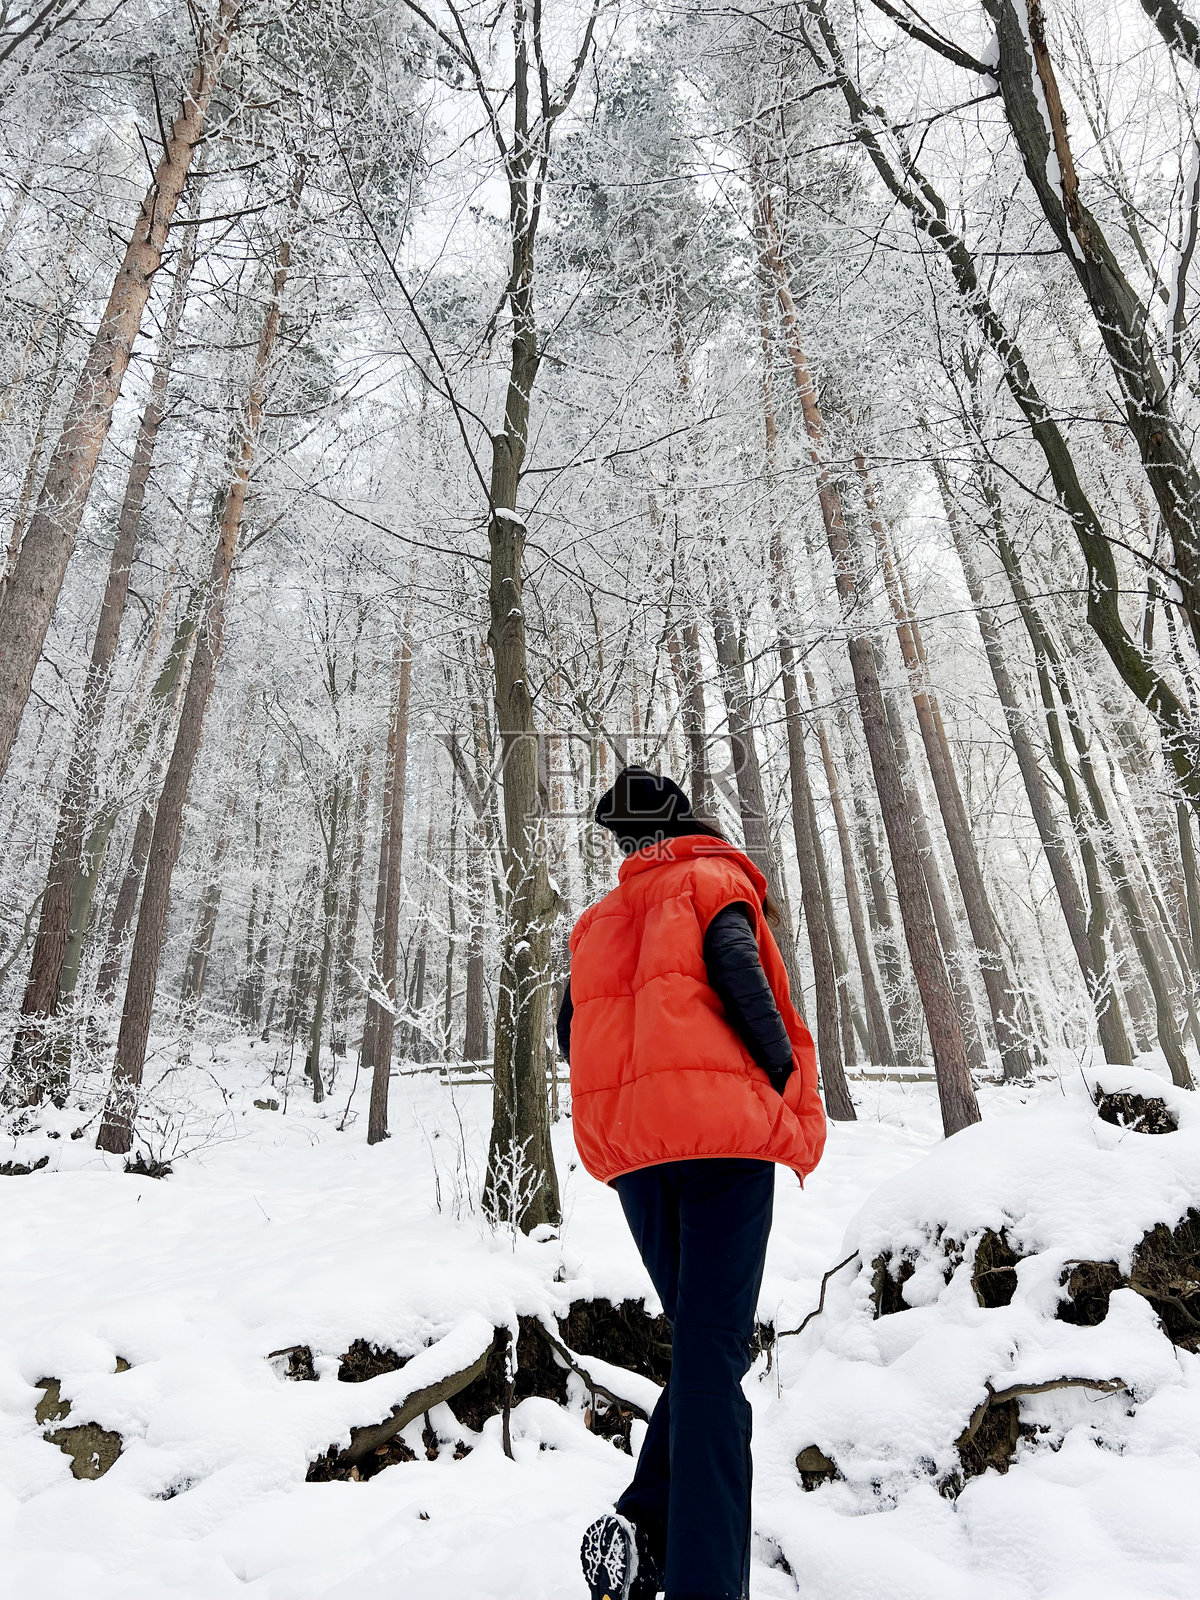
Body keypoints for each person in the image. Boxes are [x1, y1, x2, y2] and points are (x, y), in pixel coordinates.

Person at [558, 766, 827, 1600]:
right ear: (688, 823)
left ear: (627, 844)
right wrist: (782, 1074)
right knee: (714, 1358)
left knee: (704, 1346)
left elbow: (572, 1035)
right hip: (721, 1145)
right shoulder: (715, 880)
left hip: (639, 1159)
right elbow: (747, 986)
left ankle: (647, 1525)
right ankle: (705, 1581)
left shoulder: (596, 921)